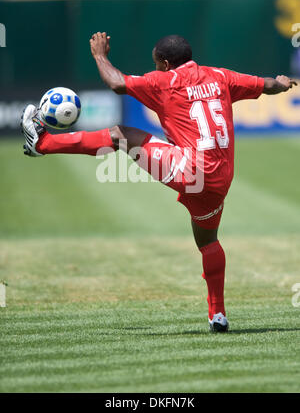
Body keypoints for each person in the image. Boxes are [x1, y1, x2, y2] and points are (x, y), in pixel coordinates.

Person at [21, 33, 297, 332]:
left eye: (157, 64)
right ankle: (217, 314)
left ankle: (43, 144)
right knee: (208, 242)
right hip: (220, 179)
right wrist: (281, 83)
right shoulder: (221, 76)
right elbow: (268, 85)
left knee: (120, 135)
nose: (155, 68)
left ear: (165, 63)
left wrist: (100, 55)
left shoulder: (163, 82)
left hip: (190, 169)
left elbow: (117, 83)